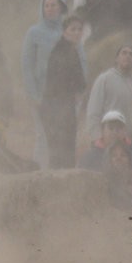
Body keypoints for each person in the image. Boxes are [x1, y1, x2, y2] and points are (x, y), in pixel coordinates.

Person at [22, 0, 68, 167]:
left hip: (64, 93)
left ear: (61, 7)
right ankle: (40, 171)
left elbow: (80, 59)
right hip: (41, 93)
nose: (49, 8)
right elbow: (27, 65)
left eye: (53, 5)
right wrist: (33, 94)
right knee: (43, 134)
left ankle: (61, 170)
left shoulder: (68, 31)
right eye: (46, 5)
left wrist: (79, 88)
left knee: (63, 133)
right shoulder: (34, 33)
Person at [41, 15, 87, 169]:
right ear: (64, 31)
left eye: (79, 29)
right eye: (73, 29)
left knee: (65, 147)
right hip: (56, 106)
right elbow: (59, 81)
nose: (77, 32)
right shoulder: (61, 51)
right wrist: (76, 91)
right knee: (60, 148)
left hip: (64, 105)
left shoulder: (71, 50)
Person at [84, 45, 132, 143]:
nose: (127, 56)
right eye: (124, 53)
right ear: (117, 59)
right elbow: (93, 111)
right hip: (106, 141)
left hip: (129, 142)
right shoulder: (104, 79)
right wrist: (97, 137)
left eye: (131, 54)